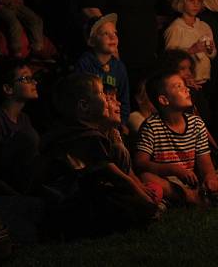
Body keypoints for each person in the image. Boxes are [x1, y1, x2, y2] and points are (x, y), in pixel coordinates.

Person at [41, 73, 160, 237]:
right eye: (102, 93)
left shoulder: (81, 133)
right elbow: (116, 175)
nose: (107, 98)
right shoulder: (85, 137)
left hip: (74, 198)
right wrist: (144, 199)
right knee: (128, 206)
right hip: (71, 202)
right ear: (84, 106)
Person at [133, 70, 218, 207]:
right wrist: (173, 169)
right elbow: (140, 163)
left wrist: (210, 178)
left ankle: (192, 198)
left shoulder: (196, 123)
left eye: (184, 85)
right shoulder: (151, 126)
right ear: (164, 100)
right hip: (167, 181)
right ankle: (205, 200)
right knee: (146, 177)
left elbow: (205, 164)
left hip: (193, 182)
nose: (187, 89)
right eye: (179, 87)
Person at [0, 60, 42, 192]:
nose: (34, 82)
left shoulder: (24, 118)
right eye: (26, 78)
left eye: (32, 78)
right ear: (8, 88)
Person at [74, 14, 131, 126]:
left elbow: (124, 100)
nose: (113, 37)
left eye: (115, 33)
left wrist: (121, 123)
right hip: (92, 121)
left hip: (113, 123)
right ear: (92, 41)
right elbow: (82, 96)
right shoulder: (85, 63)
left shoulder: (119, 67)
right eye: (105, 33)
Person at [163, 0, 216, 91]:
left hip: (204, 79)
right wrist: (192, 50)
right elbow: (169, 57)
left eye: (199, 1)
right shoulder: (176, 28)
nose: (196, 5)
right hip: (185, 83)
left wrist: (210, 50)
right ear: (182, 2)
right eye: (191, 1)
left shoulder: (204, 26)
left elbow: (213, 53)